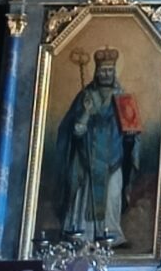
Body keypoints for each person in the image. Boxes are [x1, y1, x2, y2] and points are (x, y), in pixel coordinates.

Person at [59, 47, 140, 246]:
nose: (106, 74)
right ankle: (83, 235)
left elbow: (131, 129)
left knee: (112, 196)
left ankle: (111, 234)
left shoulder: (122, 98)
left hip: (113, 158)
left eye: (110, 70)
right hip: (88, 158)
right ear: (96, 72)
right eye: (103, 70)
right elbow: (75, 131)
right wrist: (86, 113)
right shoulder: (86, 96)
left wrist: (130, 136)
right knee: (84, 196)